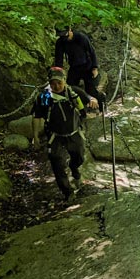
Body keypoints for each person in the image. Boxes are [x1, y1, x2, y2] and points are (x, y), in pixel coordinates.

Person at [31, 66, 99, 200]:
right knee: (57, 163)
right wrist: (36, 137)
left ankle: (74, 168)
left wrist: (93, 100)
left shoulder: (73, 92)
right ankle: (67, 192)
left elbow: (89, 97)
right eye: (53, 83)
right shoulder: (45, 97)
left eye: (59, 83)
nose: (56, 86)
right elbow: (37, 117)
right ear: (49, 83)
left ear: (64, 81)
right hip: (54, 136)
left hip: (73, 133)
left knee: (79, 157)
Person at [54, 25, 101, 108]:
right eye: (61, 36)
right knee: (69, 88)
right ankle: (76, 109)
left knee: (91, 90)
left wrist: (95, 68)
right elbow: (59, 59)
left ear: (70, 31)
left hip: (87, 66)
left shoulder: (81, 38)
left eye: (65, 35)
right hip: (74, 68)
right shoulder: (60, 42)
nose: (64, 38)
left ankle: (99, 107)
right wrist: (58, 73)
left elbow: (92, 52)